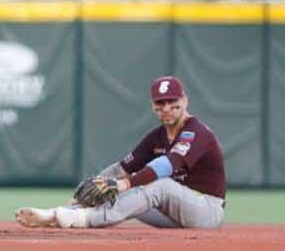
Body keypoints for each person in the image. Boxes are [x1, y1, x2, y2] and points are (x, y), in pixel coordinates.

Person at [16, 75, 226, 229]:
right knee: (119, 189)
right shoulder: (157, 136)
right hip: (173, 212)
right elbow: (122, 168)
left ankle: (78, 219)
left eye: (173, 102)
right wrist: (89, 192)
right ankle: (61, 214)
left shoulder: (196, 132)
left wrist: (126, 183)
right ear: (153, 106)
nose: (167, 108)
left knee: (156, 184)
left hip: (205, 209)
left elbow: (168, 165)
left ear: (185, 100)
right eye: (161, 104)